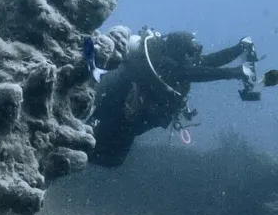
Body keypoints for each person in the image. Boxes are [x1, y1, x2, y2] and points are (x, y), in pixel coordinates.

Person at [87, 28, 266, 168]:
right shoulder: (166, 65)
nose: (193, 58)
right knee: (107, 155)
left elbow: (209, 61)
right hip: (119, 114)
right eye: (190, 53)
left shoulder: (180, 62)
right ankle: (71, 151)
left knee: (112, 157)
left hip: (134, 120)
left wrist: (239, 48)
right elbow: (194, 73)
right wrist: (235, 72)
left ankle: (76, 151)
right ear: (179, 50)